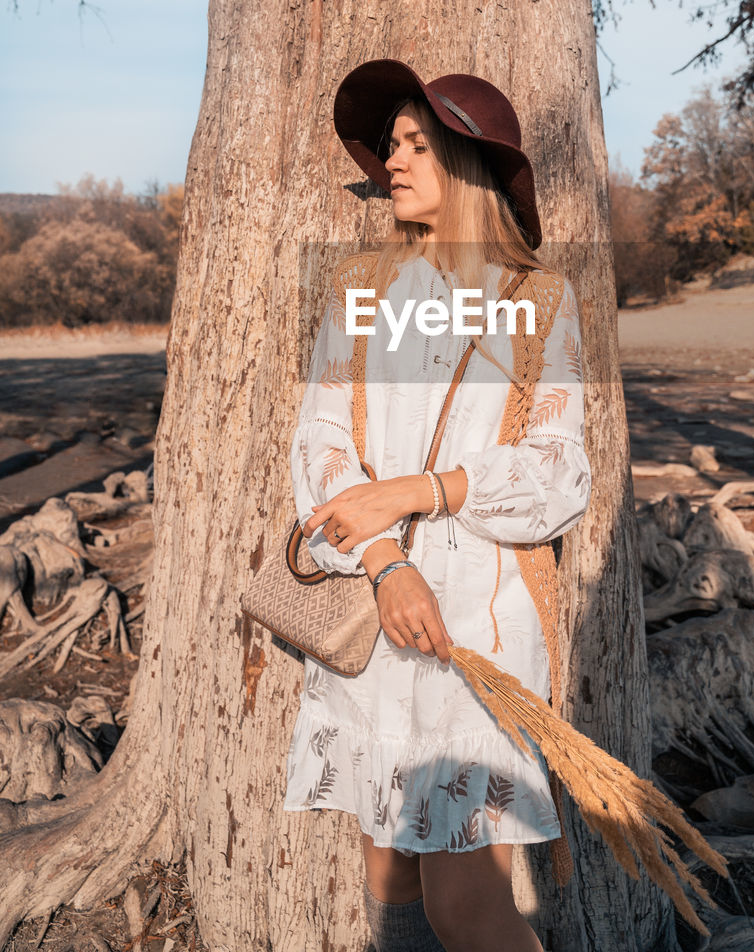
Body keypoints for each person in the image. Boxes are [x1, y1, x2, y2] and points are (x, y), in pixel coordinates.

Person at [283, 59, 591, 952]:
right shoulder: (360, 290)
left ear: (469, 161)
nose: (393, 163)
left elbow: (558, 473)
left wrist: (424, 491)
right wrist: (385, 563)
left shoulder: (538, 300)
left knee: (468, 908)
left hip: (478, 633)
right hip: (375, 609)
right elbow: (320, 444)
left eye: (417, 144)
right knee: (390, 880)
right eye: (390, 146)